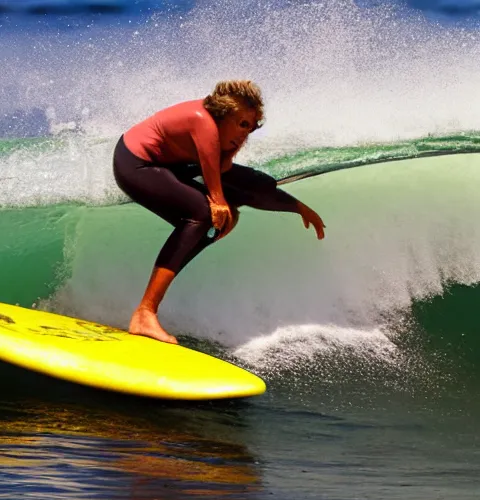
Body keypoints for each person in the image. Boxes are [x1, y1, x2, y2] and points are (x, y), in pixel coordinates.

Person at [113, 80, 325, 344]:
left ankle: (147, 311)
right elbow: (218, 198)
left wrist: (297, 207)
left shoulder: (218, 133)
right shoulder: (202, 122)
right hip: (135, 164)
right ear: (223, 115)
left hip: (169, 165)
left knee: (222, 212)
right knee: (202, 215)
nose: (245, 135)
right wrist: (223, 209)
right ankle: (145, 313)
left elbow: (240, 184)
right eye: (242, 124)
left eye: (251, 127)